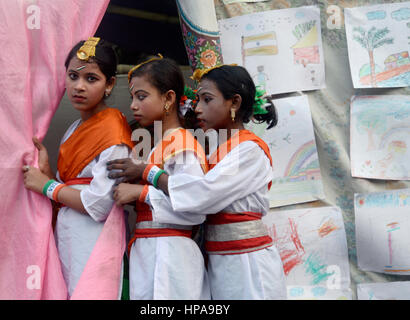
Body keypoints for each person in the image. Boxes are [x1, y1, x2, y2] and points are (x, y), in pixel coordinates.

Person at [108, 64, 287, 300]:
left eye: (207, 100)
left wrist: (146, 175)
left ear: (234, 103)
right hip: (222, 259)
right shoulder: (218, 152)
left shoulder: (250, 151)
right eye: (198, 100)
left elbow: (203, 195)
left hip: (249, 261)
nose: (198, 108)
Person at [22, 37, 133, 298]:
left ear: (110, 84)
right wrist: (48, 172)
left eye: (91, 79)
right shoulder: (73, 129)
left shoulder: (114, 131)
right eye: (73, 76)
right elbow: (64, 192)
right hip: (69, 234)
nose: (79, 86)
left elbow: (99, 204)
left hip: (93, 238)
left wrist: (47, 185)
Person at [108, 55, 210, 300]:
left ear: (168, 98)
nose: (133, 105)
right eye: (133, 97)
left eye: (141, 97)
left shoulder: (183, 144)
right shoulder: (158, 146)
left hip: (171, 253)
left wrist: (140, 193)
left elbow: (195, 205)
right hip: (151, 249)